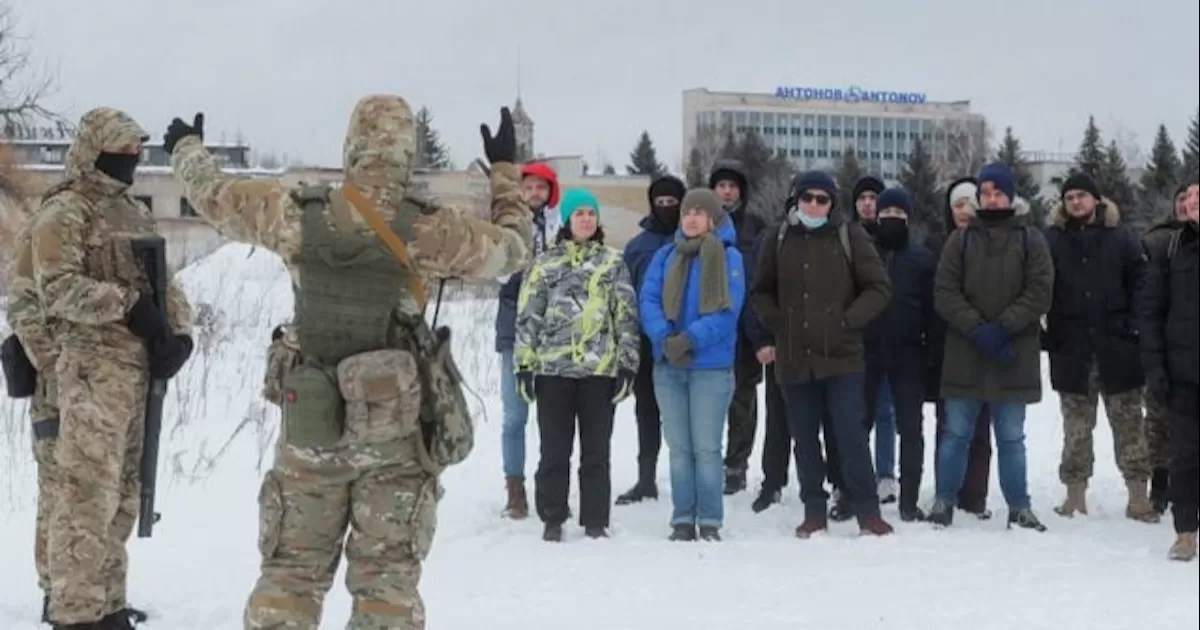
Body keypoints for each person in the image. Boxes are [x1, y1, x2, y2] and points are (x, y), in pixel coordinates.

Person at [164, 98, 533, 628]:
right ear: (408, 153)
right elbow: (515, 250)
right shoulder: (431, 231)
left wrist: (186, 149)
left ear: (351, 148)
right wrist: (504, 173)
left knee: (290, 574)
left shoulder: (293, 212)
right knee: (386, 581)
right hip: (395, 434)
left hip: (312, 426)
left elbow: (212, 197)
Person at [29, 107, 195, 630]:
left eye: (136, 154)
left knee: (125, 493)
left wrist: (180, 332)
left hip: (136, 374)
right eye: (122, 153)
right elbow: (55, 289)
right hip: (90, 371)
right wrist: (125, 305)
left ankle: (107, 604)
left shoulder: (132, 212)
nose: (131, 162)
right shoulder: (65, 211)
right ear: (94, 150)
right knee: (85, 495)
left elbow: (166, 281)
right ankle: (75, 614)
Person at [750, 171, 894, 538]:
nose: (814, 204)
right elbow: (760, 291)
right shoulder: (777, 237)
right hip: (795, 356)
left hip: (842, 356)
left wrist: (847, 321)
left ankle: (867, 512)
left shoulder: (850, 235)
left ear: (832, 203)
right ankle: (814, 509)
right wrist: (778, 322)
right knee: (804, 438)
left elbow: (878, 287)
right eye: (808, 197)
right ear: (796, 199)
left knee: (851, 436)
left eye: (822, 199)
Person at [930, 163, 1053, 532]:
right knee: (955, 435)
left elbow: (1040, 291)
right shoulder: (961, 240)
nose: (992, 198)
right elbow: (945, 293)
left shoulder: (1031, 239)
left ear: (1011, 196)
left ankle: (1019, 506)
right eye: (986, 193)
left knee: (1011, 437)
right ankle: (944, 501)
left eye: (998, 192)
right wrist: (979, 328)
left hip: (1013, 354)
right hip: (966, 353)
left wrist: (1003, 327)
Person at [513, 188, 640, 541]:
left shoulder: (612, 263)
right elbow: (528, 317)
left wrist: (627, 364)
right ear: (567, 220)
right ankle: (553, 517)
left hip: (599, 372)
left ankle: (595, 520)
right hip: (553, 372)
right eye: (579, 213)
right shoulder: (545, 264)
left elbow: (625, 317)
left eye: (591, 213)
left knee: (596, 451)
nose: (586, 218)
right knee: (554, 451)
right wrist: (524, 364)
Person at [1043, 173, 1157, 523]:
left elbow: (1143, 282)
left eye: (1081, 195)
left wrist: (1135, 324)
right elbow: (1040, 285)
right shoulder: (1052, 240)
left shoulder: (1121, 238)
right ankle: (1075, 494)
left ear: (1096, 199)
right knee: (1076, 427)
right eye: (1069, 197)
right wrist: (1048, 329)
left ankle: (1139, 496)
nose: (1075, 202)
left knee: (1129, 425)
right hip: (1072, 349)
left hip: (1118, 347)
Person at [639, 188, 745, 541]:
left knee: (706, 447)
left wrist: (690, 339)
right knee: (680, 448)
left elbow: (726, 314)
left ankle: (710, 519)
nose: (692, 218)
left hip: (710, 368)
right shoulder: (665, 256)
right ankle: (683, 517)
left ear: (713, 219)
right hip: (669, 366)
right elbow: (649, 299)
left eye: (700, 212)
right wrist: (664, 338)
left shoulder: (729, 258)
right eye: (688, 212)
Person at [860, 187, 936, 522]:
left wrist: (931, 354)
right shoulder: (863, 255)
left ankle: (908, 500)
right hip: (866, 351)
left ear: (908, 218)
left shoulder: (921, 259)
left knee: (911, 428)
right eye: (886, 215)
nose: (891, 220)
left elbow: (933, 313)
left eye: (898, 216)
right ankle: (856, 494)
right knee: (857, 426)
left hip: (908, 354)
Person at [495, 161, 560, 519]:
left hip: (553, 333)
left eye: (541, 187)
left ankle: (550, 483)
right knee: (514, 415)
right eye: (529, 187)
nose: (535, 194)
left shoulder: (559, 227)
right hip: (514, 329)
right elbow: (498, 274)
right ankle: (515, 487)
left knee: (551, 415)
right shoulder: (507, 227)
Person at [926, 177, 994, 519]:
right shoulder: (935, 245)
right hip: (945, 348)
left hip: (986, 345)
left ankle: (975, 496)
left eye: (971, 203)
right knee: (950, 427)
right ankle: (946, 492)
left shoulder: (993, 244)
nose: (965, 211)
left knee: (981, 429)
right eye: (958, 204)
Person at [1138, 177, 1198, 561]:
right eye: (1189, 196)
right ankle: (1186, 532)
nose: (1192, 201)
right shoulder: (1172, 248)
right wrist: (1156, 367)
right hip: (1183, 374)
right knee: (1185, 456)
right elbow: (1151, 313)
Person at [616, 174, 686, 505]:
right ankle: (646, 478)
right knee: (647, 410)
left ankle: (690, 479)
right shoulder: (637, 246)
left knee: (684, 413)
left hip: (684, 339)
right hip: (645, 340)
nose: (666, 209)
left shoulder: (694, 238)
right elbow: (625, 294)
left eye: (673, 203)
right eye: (661, 203)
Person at [707, 160, 766, 494]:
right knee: (710, 398)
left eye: (732, 186)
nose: (727, 191)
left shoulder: (755, 226)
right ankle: (709, 459)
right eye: (721, 186)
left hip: (746, 329)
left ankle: (737, 463)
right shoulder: (703, 223)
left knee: (743, 400)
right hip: (711, 327)